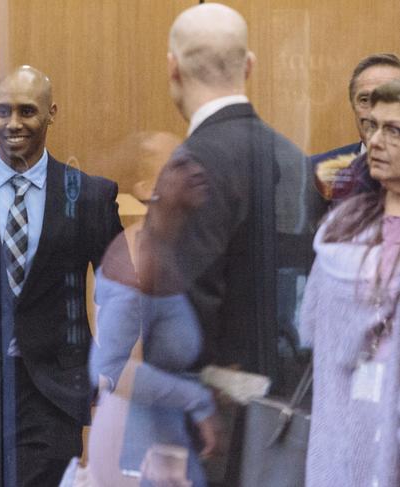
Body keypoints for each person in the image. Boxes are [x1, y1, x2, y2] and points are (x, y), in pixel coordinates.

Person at [0, 65, 123, 487]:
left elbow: (122, 289)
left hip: (53, 391)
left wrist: (109, 366)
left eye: (27, 111)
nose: (12, 124)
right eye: (2, 111)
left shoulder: (87, 195)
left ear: (51, 113)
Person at [160, 3, 318, 378]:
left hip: (212, 412)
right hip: (285, 401)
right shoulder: (295, 158)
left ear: (173, 67)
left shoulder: (188, 166)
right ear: (249, 65)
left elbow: (181, 315)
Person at [88, 146, 219, 487]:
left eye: (194, 158)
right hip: (134, 448)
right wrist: (197, 400)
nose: (195, 170)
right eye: (178, 164)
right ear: (149, 188)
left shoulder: (166, 250)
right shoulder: (140, 258)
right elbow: (110, 369)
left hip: (159, 439)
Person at [299, 80, 400, 486]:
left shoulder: (341, 227)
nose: (375, 141)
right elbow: (312, 327)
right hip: (347, 434)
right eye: (372, 126)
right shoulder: (341, 225)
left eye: (393, 130)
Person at [313, 53, 400, 202]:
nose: (375, 110)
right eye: (365, 99)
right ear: (353, 106)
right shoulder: (315, 173)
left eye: (388, 99)